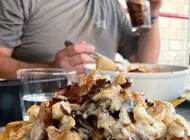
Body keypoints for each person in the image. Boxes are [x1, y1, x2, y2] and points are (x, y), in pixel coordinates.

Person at [0, 0, 162, 80]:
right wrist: (51, 69)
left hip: (101, 113)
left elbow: (146, 62)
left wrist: (153, 13)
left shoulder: (111, 5)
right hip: (35, 111)